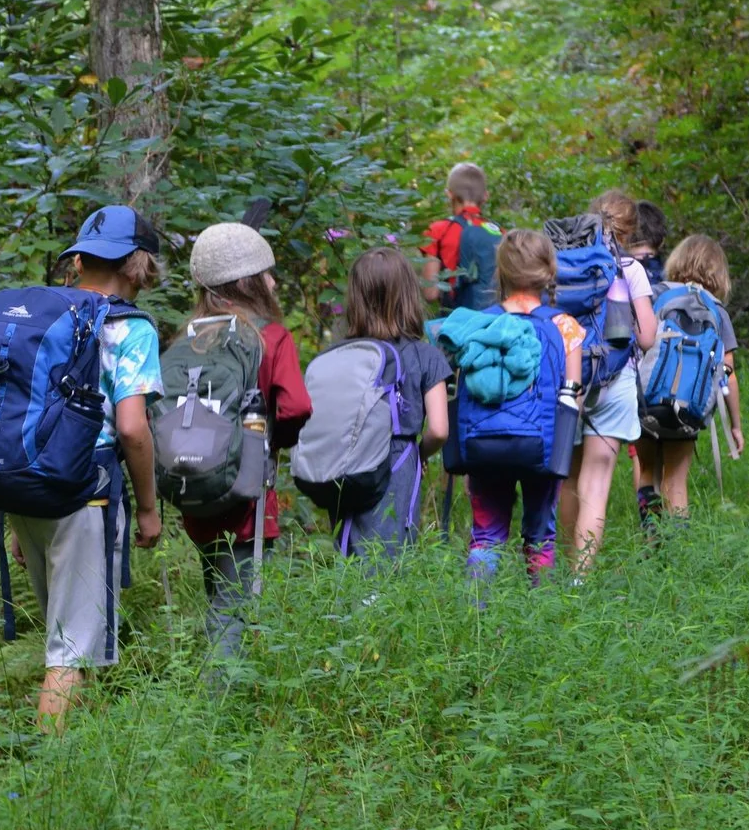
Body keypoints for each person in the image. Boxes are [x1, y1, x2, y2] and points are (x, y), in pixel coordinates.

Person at [3, 207, 165, 723]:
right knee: (70, 650)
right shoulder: (131, 328)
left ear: (79, 260)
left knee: (71, 635)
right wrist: (147, 508)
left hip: (29, 488)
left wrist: (18, 517)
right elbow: (133, 429)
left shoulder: (46, 316)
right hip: (85, 492)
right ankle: (49, 769)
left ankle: (80, 750)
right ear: (139, 264)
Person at [176, 223, 311, 658]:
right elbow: (295, 407)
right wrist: (272, 444)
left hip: (195, 484)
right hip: (247, 492)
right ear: (246, 282)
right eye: (266, 274)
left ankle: (225, 682)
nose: (273, 283)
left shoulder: (190, 338)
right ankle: (217, 694)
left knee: (218, 590)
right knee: (233, 606)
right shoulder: (269, 337)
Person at [446, 228, 586, 579]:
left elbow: (463, 390)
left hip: (483, 444)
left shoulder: (480, 324)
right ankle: (541, 608)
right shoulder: (565, 327)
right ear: (549, 272)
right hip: (542, 447)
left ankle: (475, 609)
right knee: (541, 537)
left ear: (501, 272)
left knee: (486, 537)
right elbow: (572, 398)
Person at [558, 189, 660, 569]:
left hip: (570, 381)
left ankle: (560, 566)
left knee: (568, 479)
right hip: (614, 382)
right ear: (629, 230)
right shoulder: (630, 269)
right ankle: (579, 576)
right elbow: (647, 337)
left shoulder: (566, 265)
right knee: (596, 484)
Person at [332, 245, 449, 554]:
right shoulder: (426, 355)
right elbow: (439, 429)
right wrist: (421, 453)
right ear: (408, 295)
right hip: (400, 456)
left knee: (352, 541)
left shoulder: (342, 354)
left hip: (349, 455)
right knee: (394, 543)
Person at [643, 234, 745, 520]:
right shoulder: (717, 310)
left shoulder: (656, 294)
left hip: (647, 400)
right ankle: (676, 542)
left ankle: (650, 538)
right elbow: (728, 372)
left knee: (648, 472)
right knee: (675, 480)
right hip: (690, 405)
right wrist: (735, 426)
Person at [626, 201, 672, 528]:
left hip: (633, 373)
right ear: (661, 238)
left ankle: (650, 528)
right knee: (669, 459)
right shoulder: (671, 273)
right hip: (671, 373)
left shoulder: (621, 269)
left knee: (641, 459)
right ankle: (670, 526)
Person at [419, 160, 502, 310]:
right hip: (495, 317)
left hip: (455, 317)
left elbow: (430, 293)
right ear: (485, 196)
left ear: (449, 194)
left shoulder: (438, 230)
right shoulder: (500, 233)